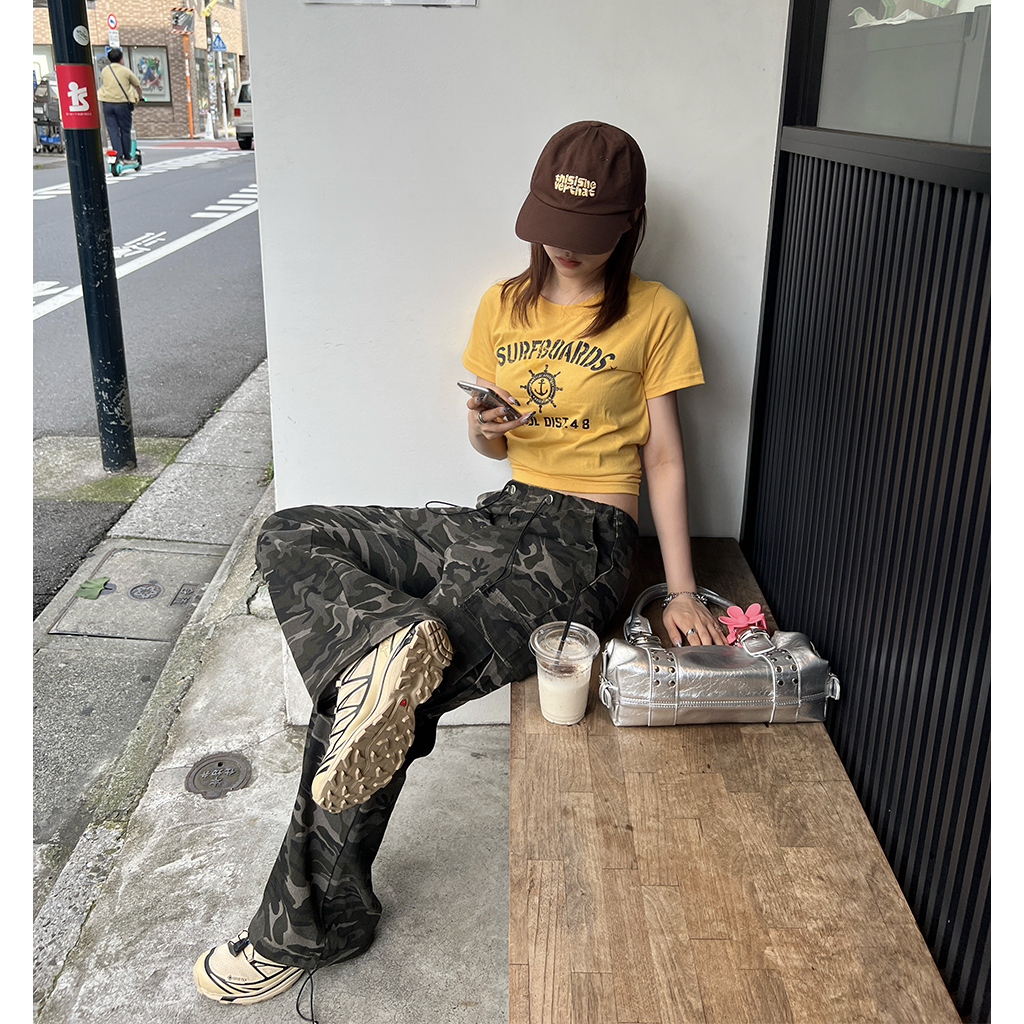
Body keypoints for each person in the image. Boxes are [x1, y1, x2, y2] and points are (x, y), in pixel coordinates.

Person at [192, 120, 725, 1013]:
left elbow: (665, 458)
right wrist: (484, 430)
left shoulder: (655, 312)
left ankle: (307, 926)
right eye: (553, 226)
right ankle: (390, 647)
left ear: (629, 227)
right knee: (293, 533)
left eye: (588, 234)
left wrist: (676, 590)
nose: (566, 247)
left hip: (583, 545)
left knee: (368, 698)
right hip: (499, 516)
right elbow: (491, 446)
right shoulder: (501, 304)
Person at [96, 48, 141, 163]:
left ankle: (118, 155)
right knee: (125, 130)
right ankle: (127, 156)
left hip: (107, 104)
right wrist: (140, 96)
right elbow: (137, 85)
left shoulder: (105, 70)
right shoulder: (125, 71)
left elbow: (102, 82)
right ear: (121, 59)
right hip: (122, 104)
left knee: (113, 131)